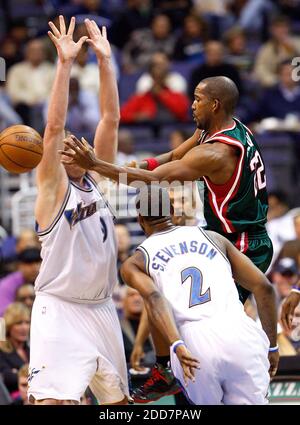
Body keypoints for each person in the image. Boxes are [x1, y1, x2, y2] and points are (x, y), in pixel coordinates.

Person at [61, 75, 273, 401]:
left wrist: (98, 166)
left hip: (241, 239)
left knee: (191, 312)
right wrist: (129, 167)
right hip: (226, 232)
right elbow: (172, 157)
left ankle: (171, 370)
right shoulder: (219, 127)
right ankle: (169, 367)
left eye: (198, 98)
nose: (191, 104)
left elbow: (155, 179)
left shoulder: (215, 154)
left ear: (214, 104)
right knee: (174, 299)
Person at [28, 16, 129, 405]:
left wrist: (105, 62)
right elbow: (53, 127)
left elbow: (111, 118)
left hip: (103, 308)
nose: (73, 143)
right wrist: (65, 63)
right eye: (66, 144)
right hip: (60, 307)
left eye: (78, 141)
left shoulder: (98, 181)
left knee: (118, 405)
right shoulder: (53, 191)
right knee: (55, 401)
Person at [120, 185, 278, 405]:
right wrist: (272, 346)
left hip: (194, 341)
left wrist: (175, 346)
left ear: (139, 219)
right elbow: (265, 289)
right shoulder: (214, 238)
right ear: (173, 212)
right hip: (240, 332)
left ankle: (163, 369)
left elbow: (155, 300)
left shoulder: (137, 260)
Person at [0, 303, 30, 396]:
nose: (24, 327)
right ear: (9, 326)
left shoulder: (31, 349)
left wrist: (17, 373)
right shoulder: (1, 351)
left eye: (27, 322)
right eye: (19, 323)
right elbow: (7, 378)